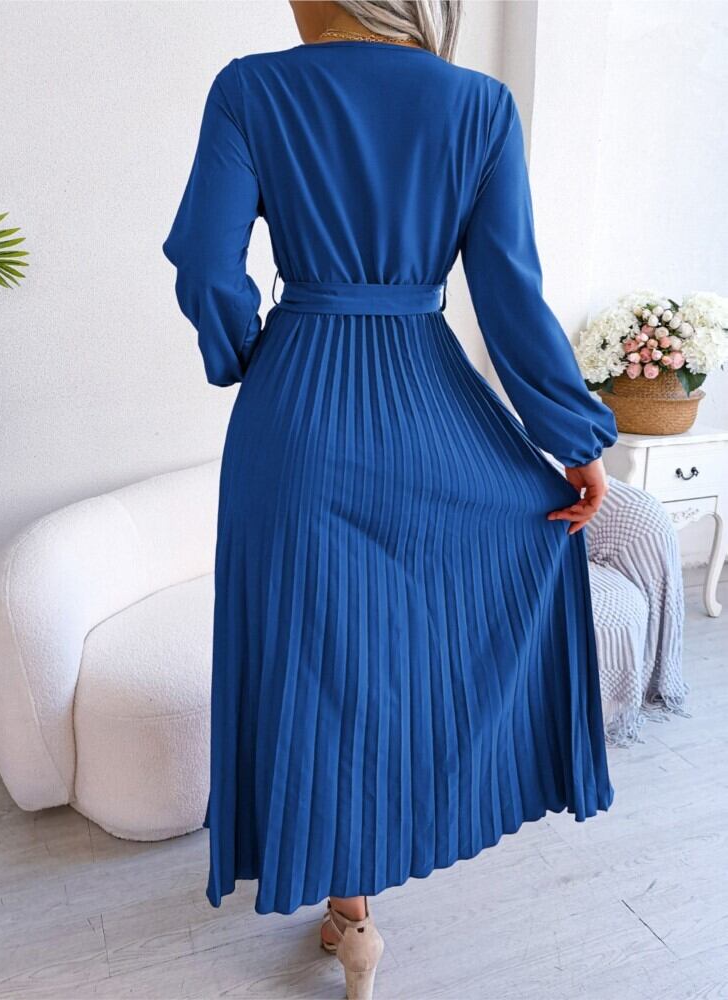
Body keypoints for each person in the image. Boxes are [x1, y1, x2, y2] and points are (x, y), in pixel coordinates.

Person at [162, 2, 618, 996]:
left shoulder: (251, 88)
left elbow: (205, 264)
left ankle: (351, 910)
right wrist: (575, 439)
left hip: (296, 413)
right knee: (405, 652)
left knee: (314, 662)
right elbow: (509, 295)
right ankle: (369, 892)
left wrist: (244, 355)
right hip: (426, 398)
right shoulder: (480, 107)